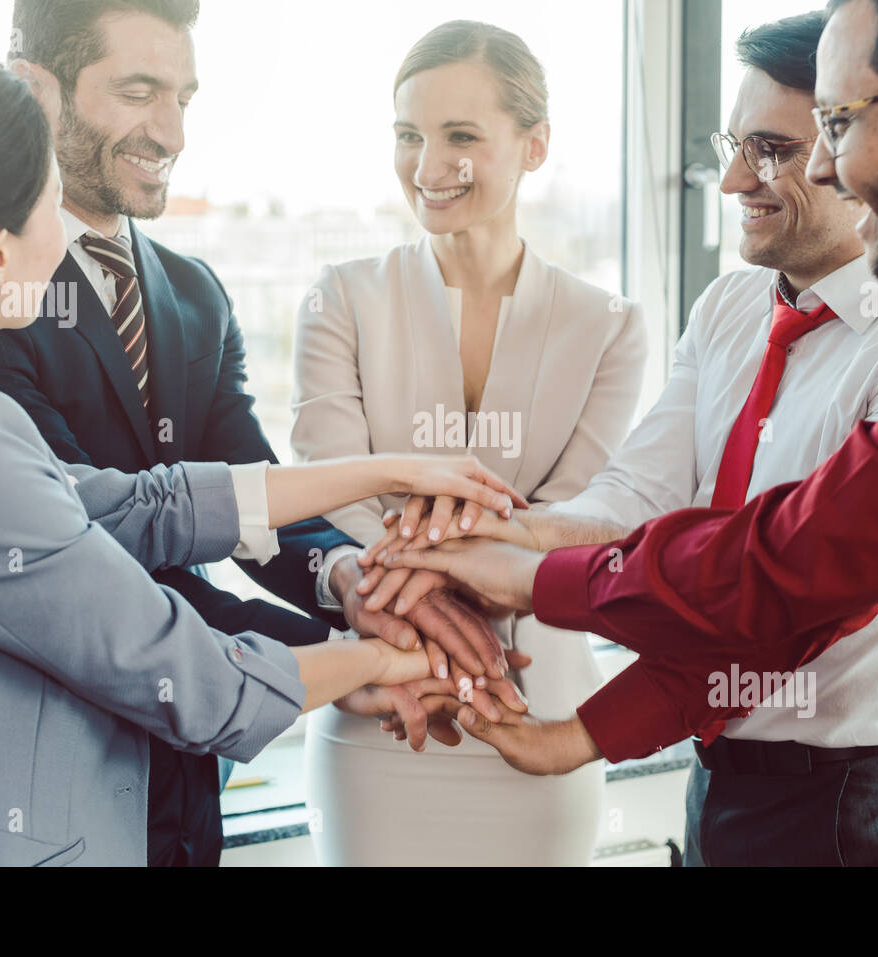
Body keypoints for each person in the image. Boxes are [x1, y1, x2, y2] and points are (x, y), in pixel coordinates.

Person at [386, 0, 878, 867]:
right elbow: (667, 507)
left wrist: (534, 582)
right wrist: (501, 536)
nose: (829, 169)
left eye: (834, 127)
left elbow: (804, 563)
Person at [0, 41, 522, 866]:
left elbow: (142, 507)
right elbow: (191, 677)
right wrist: (390, 656)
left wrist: (389, 470)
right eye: (50, 196)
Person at [290, 20, 647, 865]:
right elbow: (329, 489)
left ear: (534, 145)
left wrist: (419, 559)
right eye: (409, 135)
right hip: (383, 700)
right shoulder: (339, 298)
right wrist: (462, 562)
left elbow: (581, 515)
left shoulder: (609, 326)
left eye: (460, 136)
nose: (426, 165)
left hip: (539, 707)